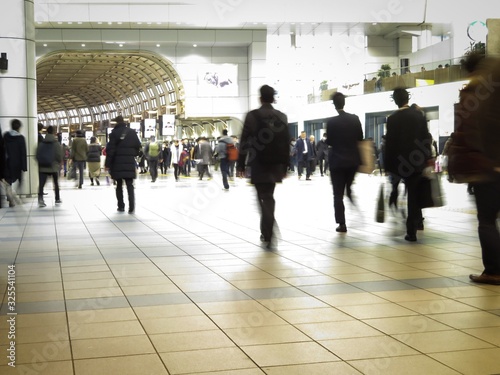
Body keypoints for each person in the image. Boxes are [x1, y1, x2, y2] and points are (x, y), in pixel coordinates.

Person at [449, 56, 500, 285]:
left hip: (487, 167)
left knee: (487, 220)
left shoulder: (475, 95)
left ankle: (493, 270)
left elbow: (471, 132)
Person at [237, 84, 289, 249]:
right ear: (273, 98)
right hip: (275, 165)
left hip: (258, 162)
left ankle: (269, 230)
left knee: (262, 196)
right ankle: (267, 229)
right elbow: (286, 142)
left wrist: (240, 164)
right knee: (268, 195)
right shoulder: (281, 116)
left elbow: (244, 141)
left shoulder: (252, 116)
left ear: (260, 98)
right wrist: (286, 165)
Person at [384, 88, 432, 242]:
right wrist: (428, 158)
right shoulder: (418, 115)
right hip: (416, 161)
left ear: (395, 100)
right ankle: (412, 230)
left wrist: (387, 166)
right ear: (407, 98)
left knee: (396, 190)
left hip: (399, 163)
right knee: (413, 195)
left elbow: (389, 144)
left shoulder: (392, 119)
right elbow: (426, 137)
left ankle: (401, 215)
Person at [326, 92, 364, 233]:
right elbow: (360, 137)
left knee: (337, 194)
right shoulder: (355, 119)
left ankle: (342, 223)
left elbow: (329, 141)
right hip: (353, 161)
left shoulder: (331, 122)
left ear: (334, 105)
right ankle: (350, 193)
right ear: (344, 103)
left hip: (337, 162)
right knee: (348, 186)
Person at [105, 116, 141, 213]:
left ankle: (121, 206)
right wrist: (133, 154)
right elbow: (138, 145)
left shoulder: (114, 133)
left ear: (116, 123)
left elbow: (110, 150)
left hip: (117, 162)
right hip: (129, 162)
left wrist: (107, 164)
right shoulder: (132, 132)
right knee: (130, 185)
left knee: (119, 185)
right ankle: (132, 207)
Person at [3, 119, 27, 207]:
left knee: (8, 181)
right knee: (20, 180)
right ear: (19, 127)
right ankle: (17, 196)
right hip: (18, 163)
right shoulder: (21, 138)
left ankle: (10, 198)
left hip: (7, 163)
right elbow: (23, 153)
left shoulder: (5, 136)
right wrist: (24, 167)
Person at [37, 126, 62, 207]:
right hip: (53, 166)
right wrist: (57, 162)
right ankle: (57, 198)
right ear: (54, 133)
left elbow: (37, 154)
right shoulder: (56, 143)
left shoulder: (41, 143)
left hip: (43, 167)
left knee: (41, 184)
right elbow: (59, 156)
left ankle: (40, 199)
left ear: (46, 132)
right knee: (56, 183)